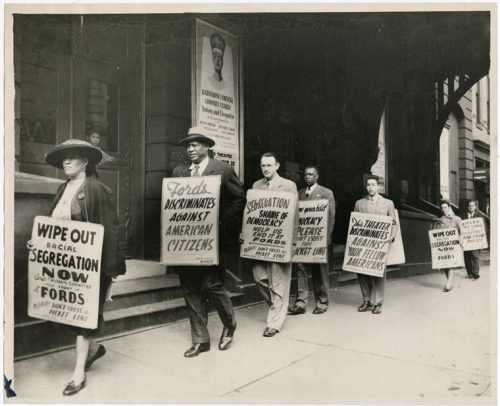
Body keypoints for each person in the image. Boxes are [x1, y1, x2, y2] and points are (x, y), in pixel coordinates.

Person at [38, 139, 126, 395]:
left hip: (91, 267)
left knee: (83, 319)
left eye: (73, 157)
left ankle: (78, 374)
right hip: (66, 266)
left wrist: (110, 273)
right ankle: (95, 349)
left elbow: (110, 232)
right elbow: (53, 228)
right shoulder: (63, 189)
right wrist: (40, 245)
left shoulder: (98, 190)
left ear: (85, 162)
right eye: (64, 158)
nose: (66, 161)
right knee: (73, 314)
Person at [172, 126, 245, 357]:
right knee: (190, 288)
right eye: (188, 145)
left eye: (195, 145)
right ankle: (200, 340)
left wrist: (221, 223)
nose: (190, 149)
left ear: (206, 146)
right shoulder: (179, 172)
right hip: (185, 242)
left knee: (213, 285)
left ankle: (229, 324)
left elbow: (239, 199)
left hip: (214, 241)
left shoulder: (222, 170)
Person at [250, 152, 299, 337]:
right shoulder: (256, 185)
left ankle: (274, 323)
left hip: (281, 242)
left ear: (277, 166)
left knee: (278, 283)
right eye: (263, 165)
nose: (265, 169)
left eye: (269, 165)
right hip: (261, 242)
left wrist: (293, 242)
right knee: (259, 277)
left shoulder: (288, 186)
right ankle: (278, 308)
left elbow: (295, 216)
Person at [288, 165, 335, 315]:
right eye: (306, 174)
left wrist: (325, 238)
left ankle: (322, 302)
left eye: (311, 174)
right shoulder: (299, 193)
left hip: (319, 239)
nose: (307, 176)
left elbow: (331, 217)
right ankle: (301, 303)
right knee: (300, 268)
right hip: (302, 239)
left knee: (319, 271)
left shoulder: (326, 193)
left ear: (317, 176)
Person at [354, 175, 397, 314]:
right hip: (363, 243)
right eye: (368, 184)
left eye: (373, 184)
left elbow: (394, 224)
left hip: (380, 244)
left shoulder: (388, 203)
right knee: (362, 270)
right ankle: (366, 300)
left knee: (379, 272)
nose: (370, 187)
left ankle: (377, 302)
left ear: (378, 186)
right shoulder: (359, 203)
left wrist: (390, 238)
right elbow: (355, 223)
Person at [434, 200, 462, 291]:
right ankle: (450, 283)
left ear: (449, 208)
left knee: (451, 264)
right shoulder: (441, 219)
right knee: (445, 265)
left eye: (445, 207)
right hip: (443, 246)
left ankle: (448, 284)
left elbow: (462, 232)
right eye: (442, 208)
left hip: (454, 245)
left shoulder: (457, 219)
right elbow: (437, 232)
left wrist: (460, 241)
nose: (443, 209)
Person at [461, 200, 482, 280]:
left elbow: (483, 227)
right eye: (469, 205)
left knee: (475, 256)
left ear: (475, 207)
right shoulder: (463, 216)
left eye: (472, 206)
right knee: (467, 256)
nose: (470, 207)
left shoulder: (479, 216)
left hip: (475, 239)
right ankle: (469, 273)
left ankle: (475, 273)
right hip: (466, 239)